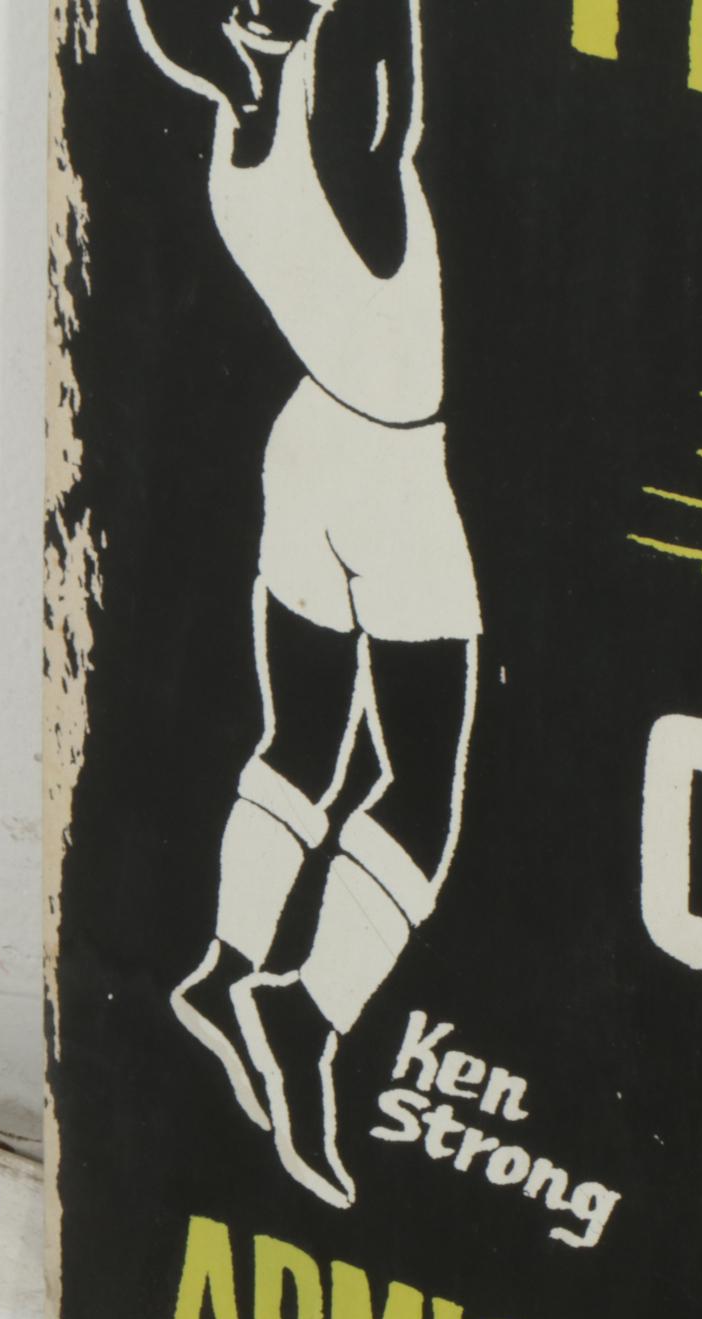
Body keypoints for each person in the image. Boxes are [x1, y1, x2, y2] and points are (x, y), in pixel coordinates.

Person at [128, 0, 480, 1209]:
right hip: (391, 476)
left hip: (308, 449)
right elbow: (382, 85)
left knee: (304, 743)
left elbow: (175, 32)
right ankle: (303, 1016)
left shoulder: (239, 131)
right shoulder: (347, 157)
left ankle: (227, 967)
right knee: (422, 791)